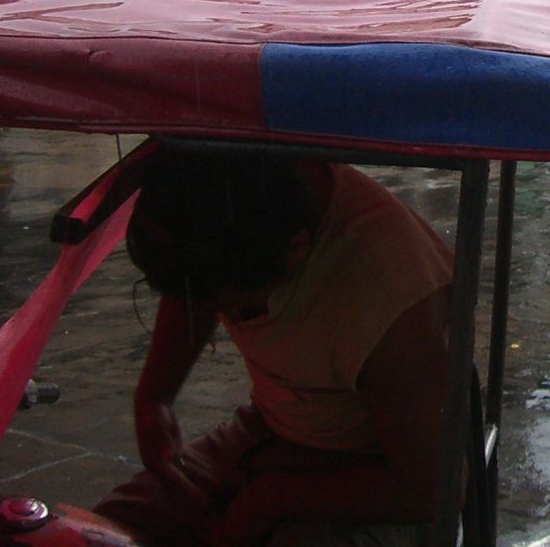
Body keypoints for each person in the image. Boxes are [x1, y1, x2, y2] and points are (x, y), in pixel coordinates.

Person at [95, 147, 455, 547]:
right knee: (110, 527)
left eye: (233, 307)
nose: (231, 319)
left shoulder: (390, 294)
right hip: (271, 433)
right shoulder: (223, 201)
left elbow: (432, 490)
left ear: (296, 250)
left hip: (378, 469)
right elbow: (195, 285)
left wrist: (271, 499)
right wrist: (154, 398)